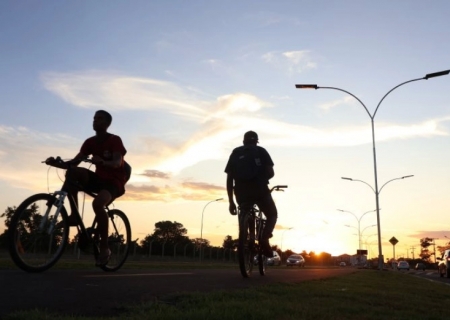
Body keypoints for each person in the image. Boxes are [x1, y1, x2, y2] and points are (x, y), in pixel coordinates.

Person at [46, 110, 127, 266]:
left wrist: (102, 162)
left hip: (114, 182)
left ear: (107, 123)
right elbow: (73, 163)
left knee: (97, 204)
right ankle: (74, 215)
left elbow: (117, 162)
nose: (95, 121)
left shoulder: (115, 140)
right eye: (94, 119)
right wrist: (56, 163)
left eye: (100, 119)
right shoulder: (89, 142)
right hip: (99, 179)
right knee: (73, 172)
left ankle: (105, 248)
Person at [224, 131, 278, 257]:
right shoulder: (261, 151)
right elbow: (271, 172)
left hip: (241, 192)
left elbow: (229, 179)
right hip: (260, 190)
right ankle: (264, 238)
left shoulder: (236, 153)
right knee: (272, 215)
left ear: (244, 142)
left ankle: (248, 237)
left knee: (246, 209)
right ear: (256, 141)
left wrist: (231, 202)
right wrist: (263, 180)